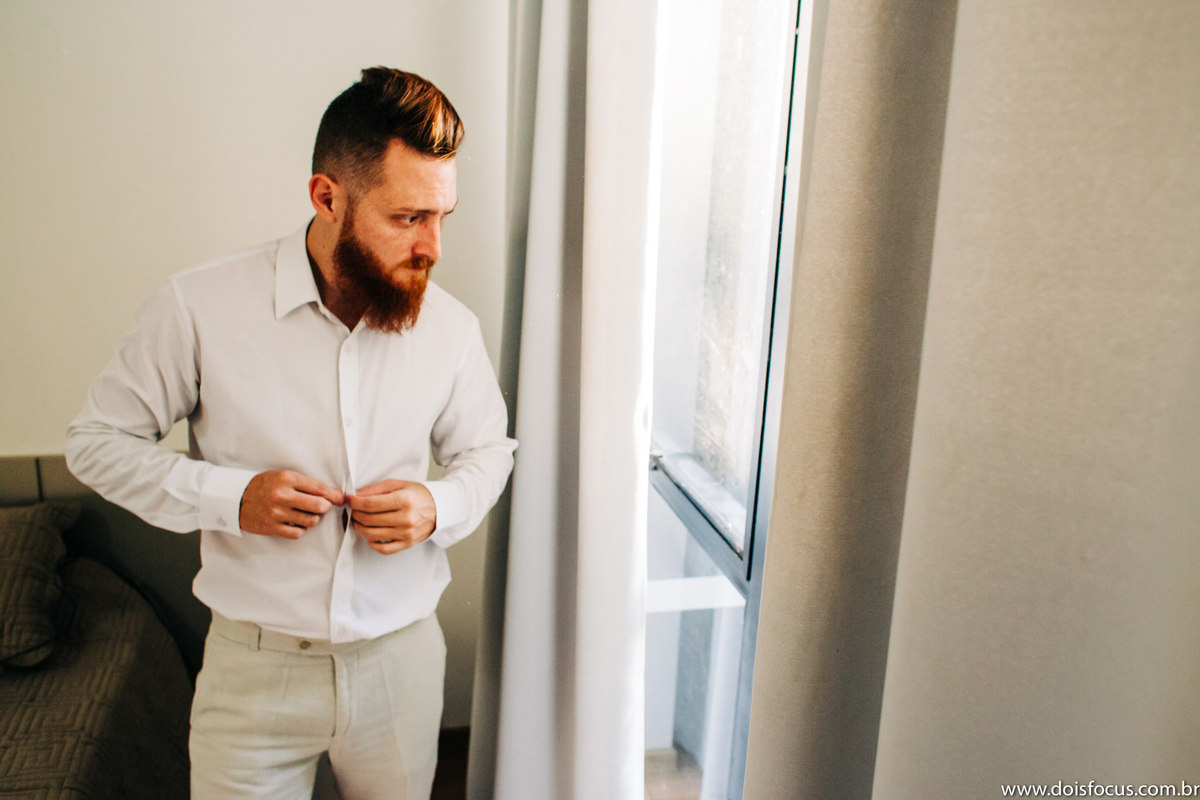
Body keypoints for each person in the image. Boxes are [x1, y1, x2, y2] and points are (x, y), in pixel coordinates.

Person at [64, 67, 517, 799]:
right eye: (408, 218)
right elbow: (95, 442)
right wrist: (227, 497)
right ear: (327, 197)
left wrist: (440, 508)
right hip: (253, 673)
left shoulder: (451, 330)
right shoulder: (198, 308)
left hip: (399, 665)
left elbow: (488, 453)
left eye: (442, 217)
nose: (433, 246)